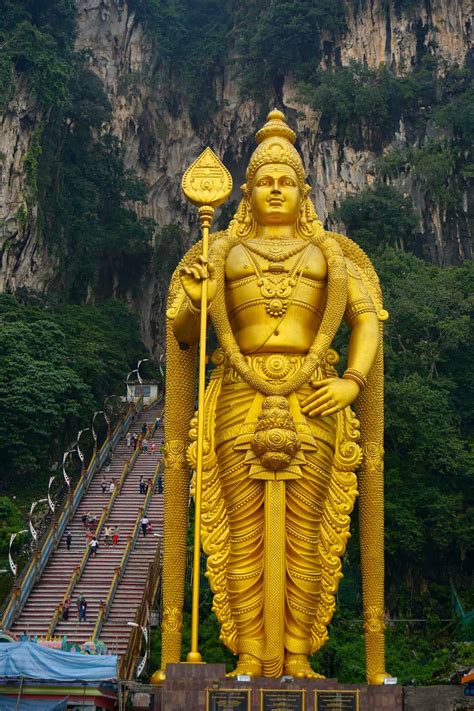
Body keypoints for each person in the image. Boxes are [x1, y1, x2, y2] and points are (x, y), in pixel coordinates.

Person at [159, 111, 387, 682]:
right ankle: (249, 656)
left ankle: (299, 655)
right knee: (242, 533)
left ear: (304, 190)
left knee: (308, 534)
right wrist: (197, 294)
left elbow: (366, 319)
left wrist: (351, 381)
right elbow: (186, 333)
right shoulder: (222, 253)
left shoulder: (330, 255)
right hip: (238, 394)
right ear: (248, 192)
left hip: (315, 398)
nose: (277, 189)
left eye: (286, 180)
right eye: (265, 181)